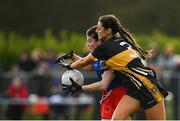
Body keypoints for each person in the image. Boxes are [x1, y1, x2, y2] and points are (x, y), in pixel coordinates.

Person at [58, 15, 168, 120]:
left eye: (100, 28)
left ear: (109, 30)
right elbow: (93, 65)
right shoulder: (118, 43)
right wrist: (73, 58)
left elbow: (83, 62)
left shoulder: (105, 48)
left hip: (148, 86)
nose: (97, 31)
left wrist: (68, 66)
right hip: (134, 90)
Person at [56, 26, 129, 120]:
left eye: (90, 41)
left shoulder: (108, 57)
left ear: (99, 41)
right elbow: (90, 66)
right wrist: (74, 57)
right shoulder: (100, 57)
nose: (87, 45)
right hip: (110, 95)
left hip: (120, 95)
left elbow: (103, 85)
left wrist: (79, 88)